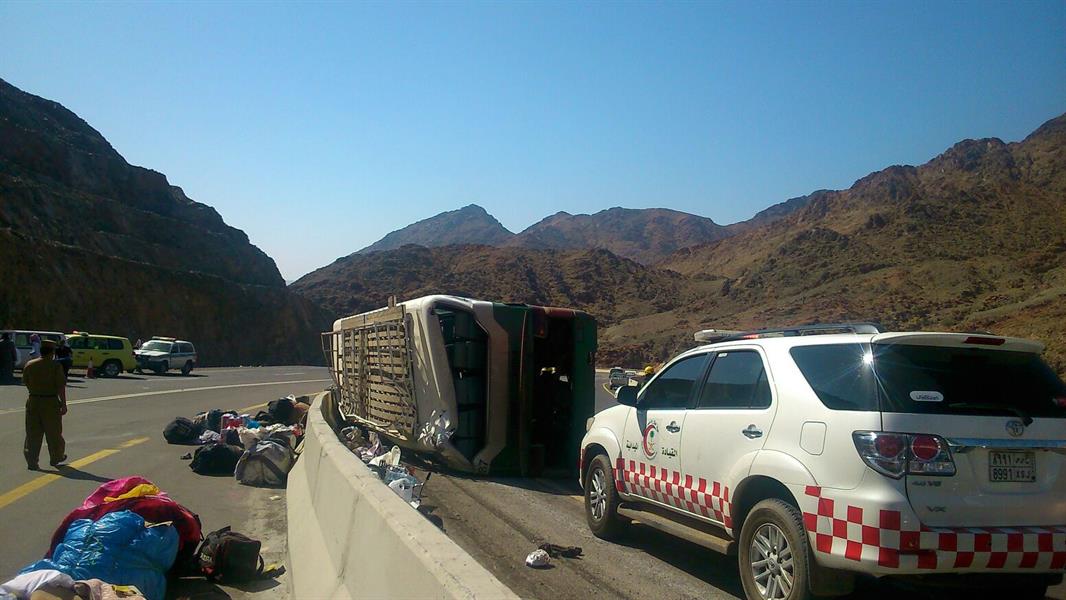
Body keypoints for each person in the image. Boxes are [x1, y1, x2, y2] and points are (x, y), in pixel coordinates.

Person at [22, 339, 67, 469]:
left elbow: (25, 381)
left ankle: (32, 461)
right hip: (50, 401)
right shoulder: (55, 366)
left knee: (32, 433)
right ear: (52, 352)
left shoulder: (30, 364)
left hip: (33, 400)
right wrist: (63, 404)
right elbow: (60, 386)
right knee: (54, 432)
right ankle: (56, 457)